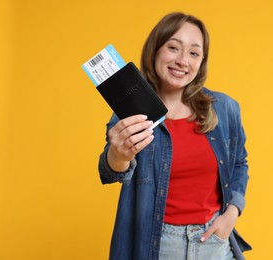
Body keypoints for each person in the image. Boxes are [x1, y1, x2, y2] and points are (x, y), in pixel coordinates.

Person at [98, 12, 251, 260]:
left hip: (213, 243)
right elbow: (111, 170)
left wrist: (232, 212)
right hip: (157, 246)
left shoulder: (224, 108)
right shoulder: (131, 111)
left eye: (193, 53)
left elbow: (239, 164)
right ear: (155, 50)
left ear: (201, 61)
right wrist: (118, 154)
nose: (182, 60)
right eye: (173, 48)